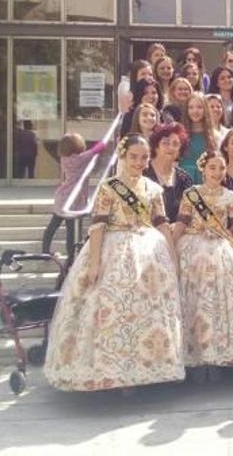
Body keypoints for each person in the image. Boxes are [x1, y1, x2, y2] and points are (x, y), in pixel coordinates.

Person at [44, 135, 185, 392]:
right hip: (114, 250)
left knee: (146, 312)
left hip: (149, 252)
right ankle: (113, 372)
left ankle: (144, 370)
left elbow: (162, 223)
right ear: (123, 156)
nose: (139, 162)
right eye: (133, 156)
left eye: (143, 157)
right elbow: (97, 226)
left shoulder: (153, 189)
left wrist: (173, 256)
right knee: (114, 309)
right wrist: (94, 263)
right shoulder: (109, 187)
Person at [174, 151, 233, 382]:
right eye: (212, 168)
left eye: (221, 168)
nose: (217, 173)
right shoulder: (191, 194)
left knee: (219, 304)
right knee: (195, 303)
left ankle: (217, 358)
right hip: (192, 250)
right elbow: (182, 223)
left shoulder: (230, 196)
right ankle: (195, 358)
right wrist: (171, 248)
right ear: (203, 169)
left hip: (222, 251)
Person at [43, 133, 108, 263]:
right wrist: (106, 140)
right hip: (73, 199)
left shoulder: (64, 158)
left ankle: (45, 252)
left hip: (63, 196)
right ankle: (71, 258)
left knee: (53, 225)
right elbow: (98, 148)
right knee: (71, 230)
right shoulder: (79, 159)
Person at [144, 122, 193, 223]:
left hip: (176, 232)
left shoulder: (185, 179)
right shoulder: (142, 172)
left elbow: (188, 213)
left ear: (180, 150)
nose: (170, 147)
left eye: (175, 144)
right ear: (156, 147)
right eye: (165, 143)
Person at [178, 93, 217, 184]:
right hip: (184, 181)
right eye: (191, 107)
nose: (195, 111)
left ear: (205, 110)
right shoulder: (179, 134)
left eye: (199, 107)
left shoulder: (214, 135)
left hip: (206, 181)